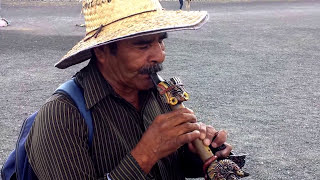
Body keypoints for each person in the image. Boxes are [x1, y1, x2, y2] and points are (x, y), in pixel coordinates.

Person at [25, 0, 233, 179]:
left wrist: (199, 156)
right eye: (142, 46)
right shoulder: (61, 115)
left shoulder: (159, 92)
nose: (159, 56)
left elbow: (170, 168)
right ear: (102, 51)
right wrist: (146, 154)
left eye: (160, 41)